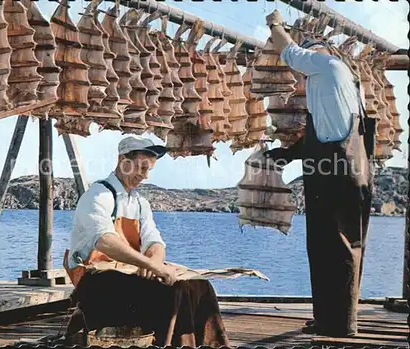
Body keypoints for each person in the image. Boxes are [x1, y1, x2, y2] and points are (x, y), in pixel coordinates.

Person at [263, 10, 376, 338]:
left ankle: (339, 324)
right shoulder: (339, 86)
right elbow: (327, 136)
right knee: (332, 248)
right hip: (346, 174)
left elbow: (291, 52)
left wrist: (274, 24)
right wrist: (288, 154)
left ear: (318, 54)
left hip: (336, 179)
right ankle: (331, 317)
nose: (297, 81)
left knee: (335, 248)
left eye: (300, 75)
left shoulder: (327, 67)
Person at [63, 135, 229, 347]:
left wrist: (155, 263)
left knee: (198, 287)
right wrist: (149, 265)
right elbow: (105, 241)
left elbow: (155, 241)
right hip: (93, 278)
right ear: (123, 160)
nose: (145, 175)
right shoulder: (98, 195)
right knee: (171, 292)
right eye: (141, 167)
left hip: (125, 273)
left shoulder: (140, 203)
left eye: (148, 169)